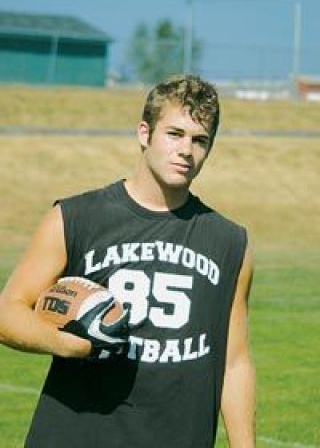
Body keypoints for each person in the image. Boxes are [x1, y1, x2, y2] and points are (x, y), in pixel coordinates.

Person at [0, 74, 255, 448]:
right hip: (75, 437)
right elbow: (8, 311)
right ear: (144, 133)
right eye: (174, 134)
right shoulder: (76, 217)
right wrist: (67, 343)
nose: (186, 150)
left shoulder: (229, 242)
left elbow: (234, 362)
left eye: (200, 140)